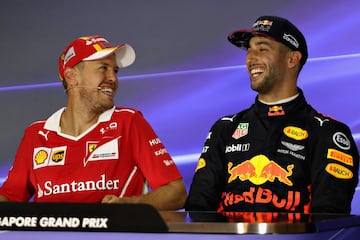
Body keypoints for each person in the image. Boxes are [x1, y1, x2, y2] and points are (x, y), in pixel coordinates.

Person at [185, 16, 359, 213]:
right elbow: (198, 211)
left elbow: (329, 222)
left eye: (262, 48)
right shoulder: (224, 128)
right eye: (249, 50)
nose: (250, 58)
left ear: (292, 59)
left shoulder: (328, 133)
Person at [0, 35, 187, 210]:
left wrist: (129, 205)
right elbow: (9, 198)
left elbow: (176, 192)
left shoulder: (128, 122)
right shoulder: (36, 134)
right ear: (72, 77)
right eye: (103, 68)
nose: (113, 78)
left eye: (115, 70)